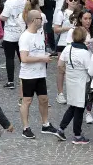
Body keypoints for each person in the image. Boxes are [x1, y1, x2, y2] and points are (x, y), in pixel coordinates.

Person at [18, 9, 63, 139]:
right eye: (39, 18)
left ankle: (45, 124)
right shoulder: (25, 37)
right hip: (28, 75)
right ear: (33, 20)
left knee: (44, 99)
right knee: (27, 101)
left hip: (40, 73)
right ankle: (26, 128)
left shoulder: (39, 34)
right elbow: (24, 58)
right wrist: (42, 58)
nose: (42, 20)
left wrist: (44, 57)